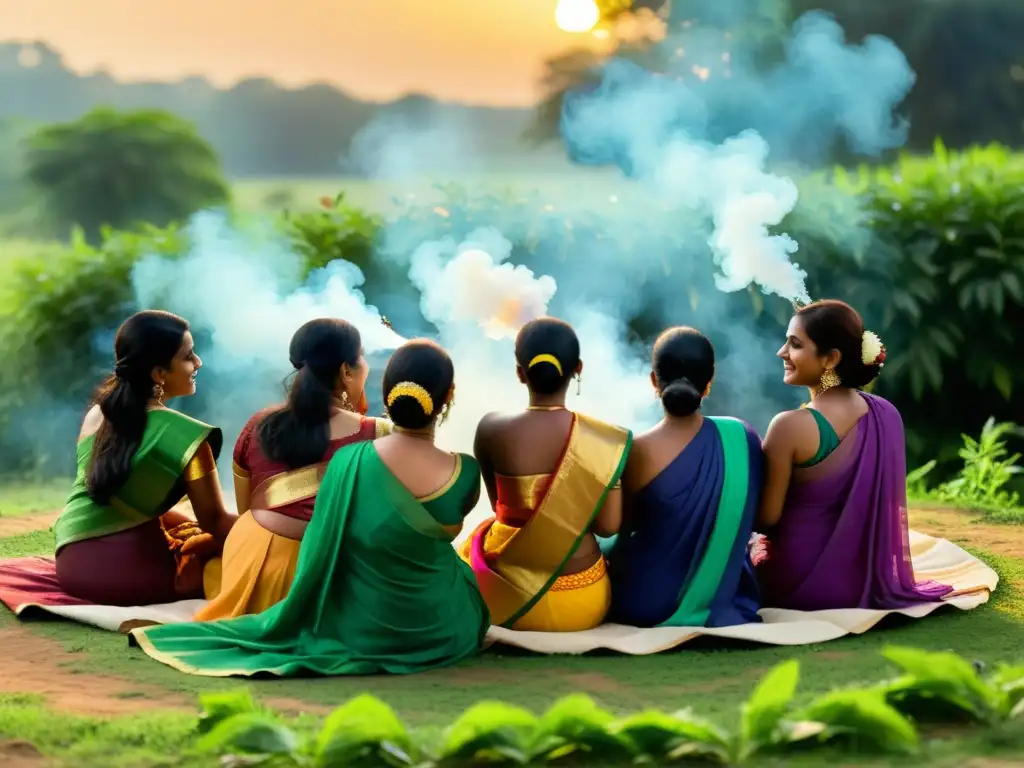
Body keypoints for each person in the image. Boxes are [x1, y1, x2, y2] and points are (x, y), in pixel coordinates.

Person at [130, 339, 489, 677]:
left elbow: (324, 545)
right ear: (449, 396)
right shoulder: (465, 470)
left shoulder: (350, 460)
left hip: (363, 618)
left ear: (386, 393)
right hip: (440, 626)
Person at [757, 299, 952, 610]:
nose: (782, 352)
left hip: (796, 584)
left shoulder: (788, 427)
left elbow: (766, 518)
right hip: (867, 580)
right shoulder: (886, 413)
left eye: (794, 344)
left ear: (831, 358)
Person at [196, 318, 392, 621]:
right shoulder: (379, 433)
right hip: (319, 576)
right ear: (345, 370)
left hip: (249, 564)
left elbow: (247, 509)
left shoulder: (257, 424)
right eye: (363, 356)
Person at [55, 310, 237, 605]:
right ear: (158, 374)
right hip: (133, 577)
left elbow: (115, 497)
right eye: (188, 356)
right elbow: (215, 521)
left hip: (70, 564)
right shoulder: (185, 434)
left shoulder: (97, 414)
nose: (198, 362)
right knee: (230, 556)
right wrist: (265, 529)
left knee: (181, 525)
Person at [462, 317, 632, 632]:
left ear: (519, 372)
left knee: (473, 542)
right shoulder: (605, 440)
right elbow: (609, 528)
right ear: (577, 368)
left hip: (503, 594)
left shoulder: (490, 428)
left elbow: (499, 506)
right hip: (581, 602)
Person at [604, 327, 763, 628]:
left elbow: (622, 530)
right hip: (724, 598)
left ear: (653, 380)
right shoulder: (742, 437)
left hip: (644, 602)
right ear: (709, 382)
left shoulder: (636, 449)